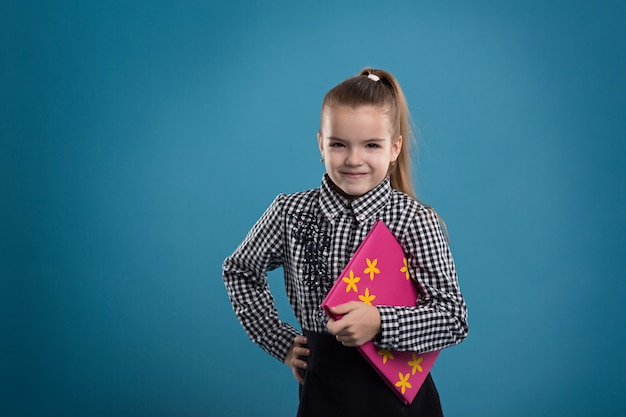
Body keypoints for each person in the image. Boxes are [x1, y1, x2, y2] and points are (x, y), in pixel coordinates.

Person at [222, 68, 468, 417]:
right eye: (339, 144)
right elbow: (239, 270)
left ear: (395, 147)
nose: (354, 159)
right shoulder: (289, 212)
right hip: (324, 390)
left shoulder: (414, 219)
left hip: (399, 398)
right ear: (321, 144)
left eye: (371, 145)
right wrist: (282, 343)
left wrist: (381, 322)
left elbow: (453, 317)